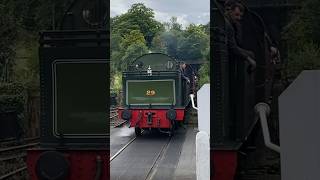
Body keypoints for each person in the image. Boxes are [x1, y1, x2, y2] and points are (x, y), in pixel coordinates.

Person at [224, 0, 256, 72]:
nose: (239, 18)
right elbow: (233, 47)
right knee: (249, 55)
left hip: (230, 51)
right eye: (237, 15)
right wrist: (248, 58)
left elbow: (238, 42)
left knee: (251, 54)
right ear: (230, 11)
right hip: (228, 55)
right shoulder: (228, 25)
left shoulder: (234, 25)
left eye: (240, 16)